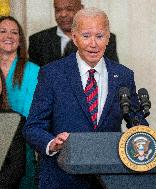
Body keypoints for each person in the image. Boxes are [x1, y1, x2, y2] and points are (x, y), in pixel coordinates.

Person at [23, 7, 147, 189]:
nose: (93, 44)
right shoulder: (52, 74)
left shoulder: (123, 76)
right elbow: (33, 127)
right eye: (86, 35)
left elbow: (137, 123)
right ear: (74, 38)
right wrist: (53, 143)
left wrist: (142, 134)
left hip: (109, 178)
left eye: (99, 36)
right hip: (62, 177)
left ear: (108, 39)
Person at [0, 16, 40, 189]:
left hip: (21, 146)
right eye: (2, 31)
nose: (9, 35)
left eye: (14, 32)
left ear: (20, 39)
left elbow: (33, 113)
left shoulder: (33, 70)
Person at [28, 0, 119, 67]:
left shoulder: (104, 38)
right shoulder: (38, 40)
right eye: (58, 10)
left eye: (69, 9)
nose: (63, 14)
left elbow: (112, 74)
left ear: (81, 9)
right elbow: (33, 80)